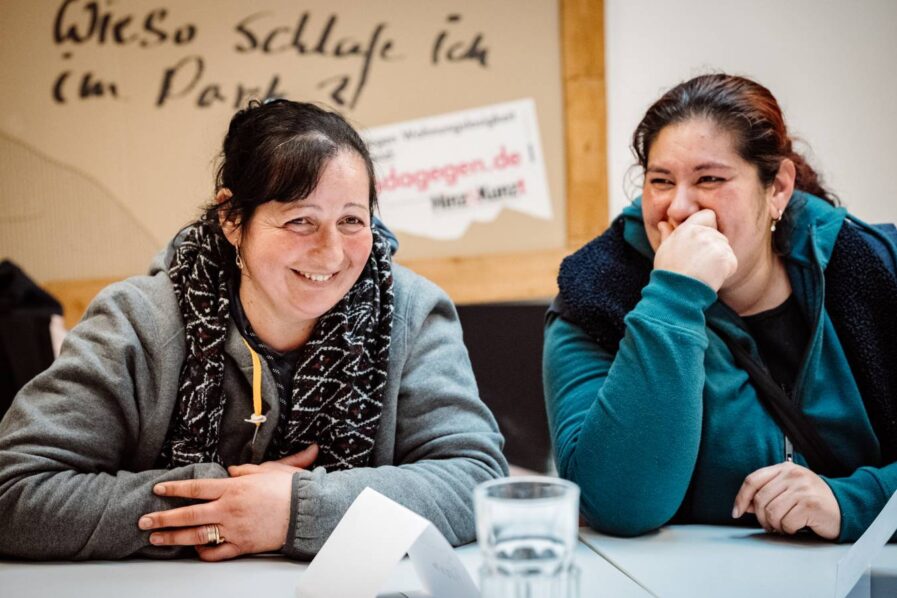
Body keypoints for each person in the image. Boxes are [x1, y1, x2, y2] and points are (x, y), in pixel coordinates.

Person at [0, 99, 507, 561]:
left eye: (352, 221)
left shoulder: (413, 313)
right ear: (232, 217)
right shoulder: (135, 322)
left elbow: (477, 481)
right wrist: (231, 503)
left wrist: (296, 509)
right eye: (300, 221)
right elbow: (14, 492)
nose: (331, 252)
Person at [544, 74, 897, 543]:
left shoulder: (875, 267)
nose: (679, 207)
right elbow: (617, 504)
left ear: (778, 189)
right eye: (661, 181)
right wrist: (674, 297)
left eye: (710, 179)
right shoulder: (595, 297)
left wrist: (853, 502)